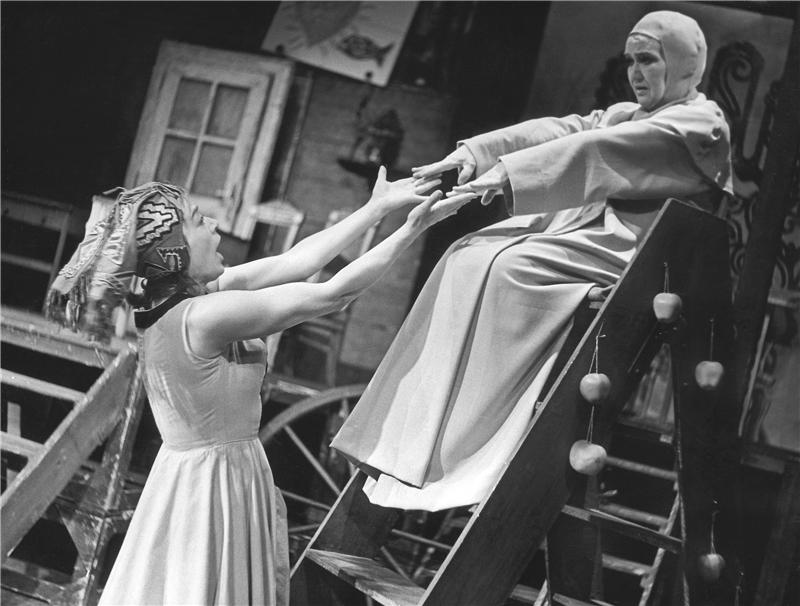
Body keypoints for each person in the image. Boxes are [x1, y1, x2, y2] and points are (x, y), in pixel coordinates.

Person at [330, 10, 733, 511]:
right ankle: (418, 436)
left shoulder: (702, 124)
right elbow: (562, 130)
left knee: (508, 270)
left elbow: (600, 148)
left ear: (684, 62)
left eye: (648, 60)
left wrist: (511, 174)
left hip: (632, 254)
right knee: (464, 256)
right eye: (631, 61)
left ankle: (474, 448)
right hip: (580, 233)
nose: (635, 72)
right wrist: (478, 154)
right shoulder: (627, 113)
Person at [46, 171, 471, 605]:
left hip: (209, 471)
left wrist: (376, 208)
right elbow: (332, 295)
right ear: (175, 252)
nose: (215, 226)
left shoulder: (184, 300)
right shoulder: (201, 317)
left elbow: (298, 261)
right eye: (199, 221)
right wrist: (413, 228)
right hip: (213, 483)